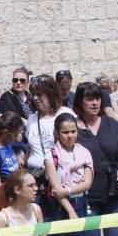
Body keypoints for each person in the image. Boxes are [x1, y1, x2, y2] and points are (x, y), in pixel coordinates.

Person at [73, 82, 118, 236]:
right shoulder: (74, 129)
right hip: (87, 195)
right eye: (89, 99)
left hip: (115, 192)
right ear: (80, 102)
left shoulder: (111, 124)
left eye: (97, 98)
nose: (95, 103)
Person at [44, 113, 94, 236]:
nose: (70, 136)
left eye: (73, 131)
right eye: (65, 132)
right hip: (60, 207)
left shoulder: (84, 152)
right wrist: (71, 211)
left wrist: (68, 189)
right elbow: (56, 190)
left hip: (81, 202)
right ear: (57, 133)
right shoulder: (50, 155)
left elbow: (87, 183)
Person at [24, 75, 74, 218]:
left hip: (59, 179)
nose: (35, 98)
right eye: (33, 94)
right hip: (36, 181)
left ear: (51, 93)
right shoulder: (32, 119)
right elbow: (30, 147)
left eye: (39, 94)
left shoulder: (65, 114)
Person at [0, 112, 25, 224]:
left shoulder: (8, 145)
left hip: (15, 199)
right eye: (17, 133)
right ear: (7, 132)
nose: (18, 137)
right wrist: (14, 196)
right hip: (3, 203)